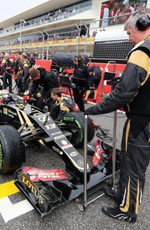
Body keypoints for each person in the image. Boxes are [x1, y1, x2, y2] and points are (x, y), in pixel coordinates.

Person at [85, 8, 150, 223]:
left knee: (132, 166)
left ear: (142, 27)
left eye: (130, 33)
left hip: (142, 121)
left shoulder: (142, 52)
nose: (129, 38)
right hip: (143, 118)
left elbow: (123, 94)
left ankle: (128, 211)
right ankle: (122, 195)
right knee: (129, 159)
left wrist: (93, 108)